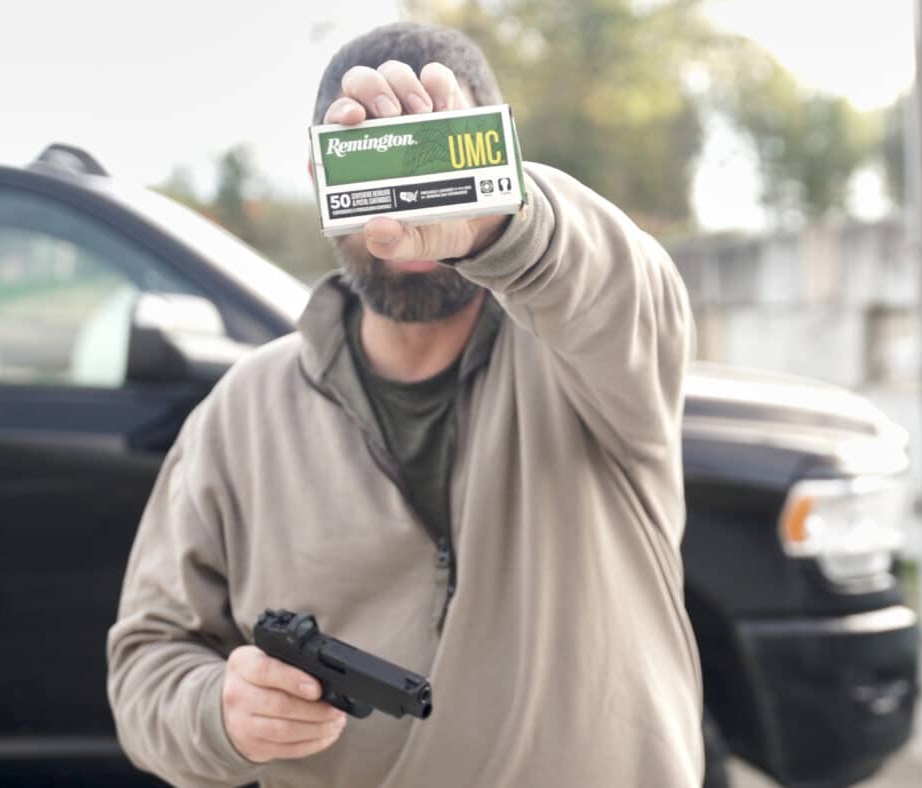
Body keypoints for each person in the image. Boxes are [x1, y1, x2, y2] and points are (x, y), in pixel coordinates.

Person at [106, 21, 702, 788]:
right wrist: (216, 712)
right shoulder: (239, 416)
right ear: (321, 180)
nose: (412, 215)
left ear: (502, 153)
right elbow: (145, 666)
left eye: (437, 155)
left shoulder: (594, 356)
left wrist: (503, 220)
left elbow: (623, 287)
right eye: (372, 163)